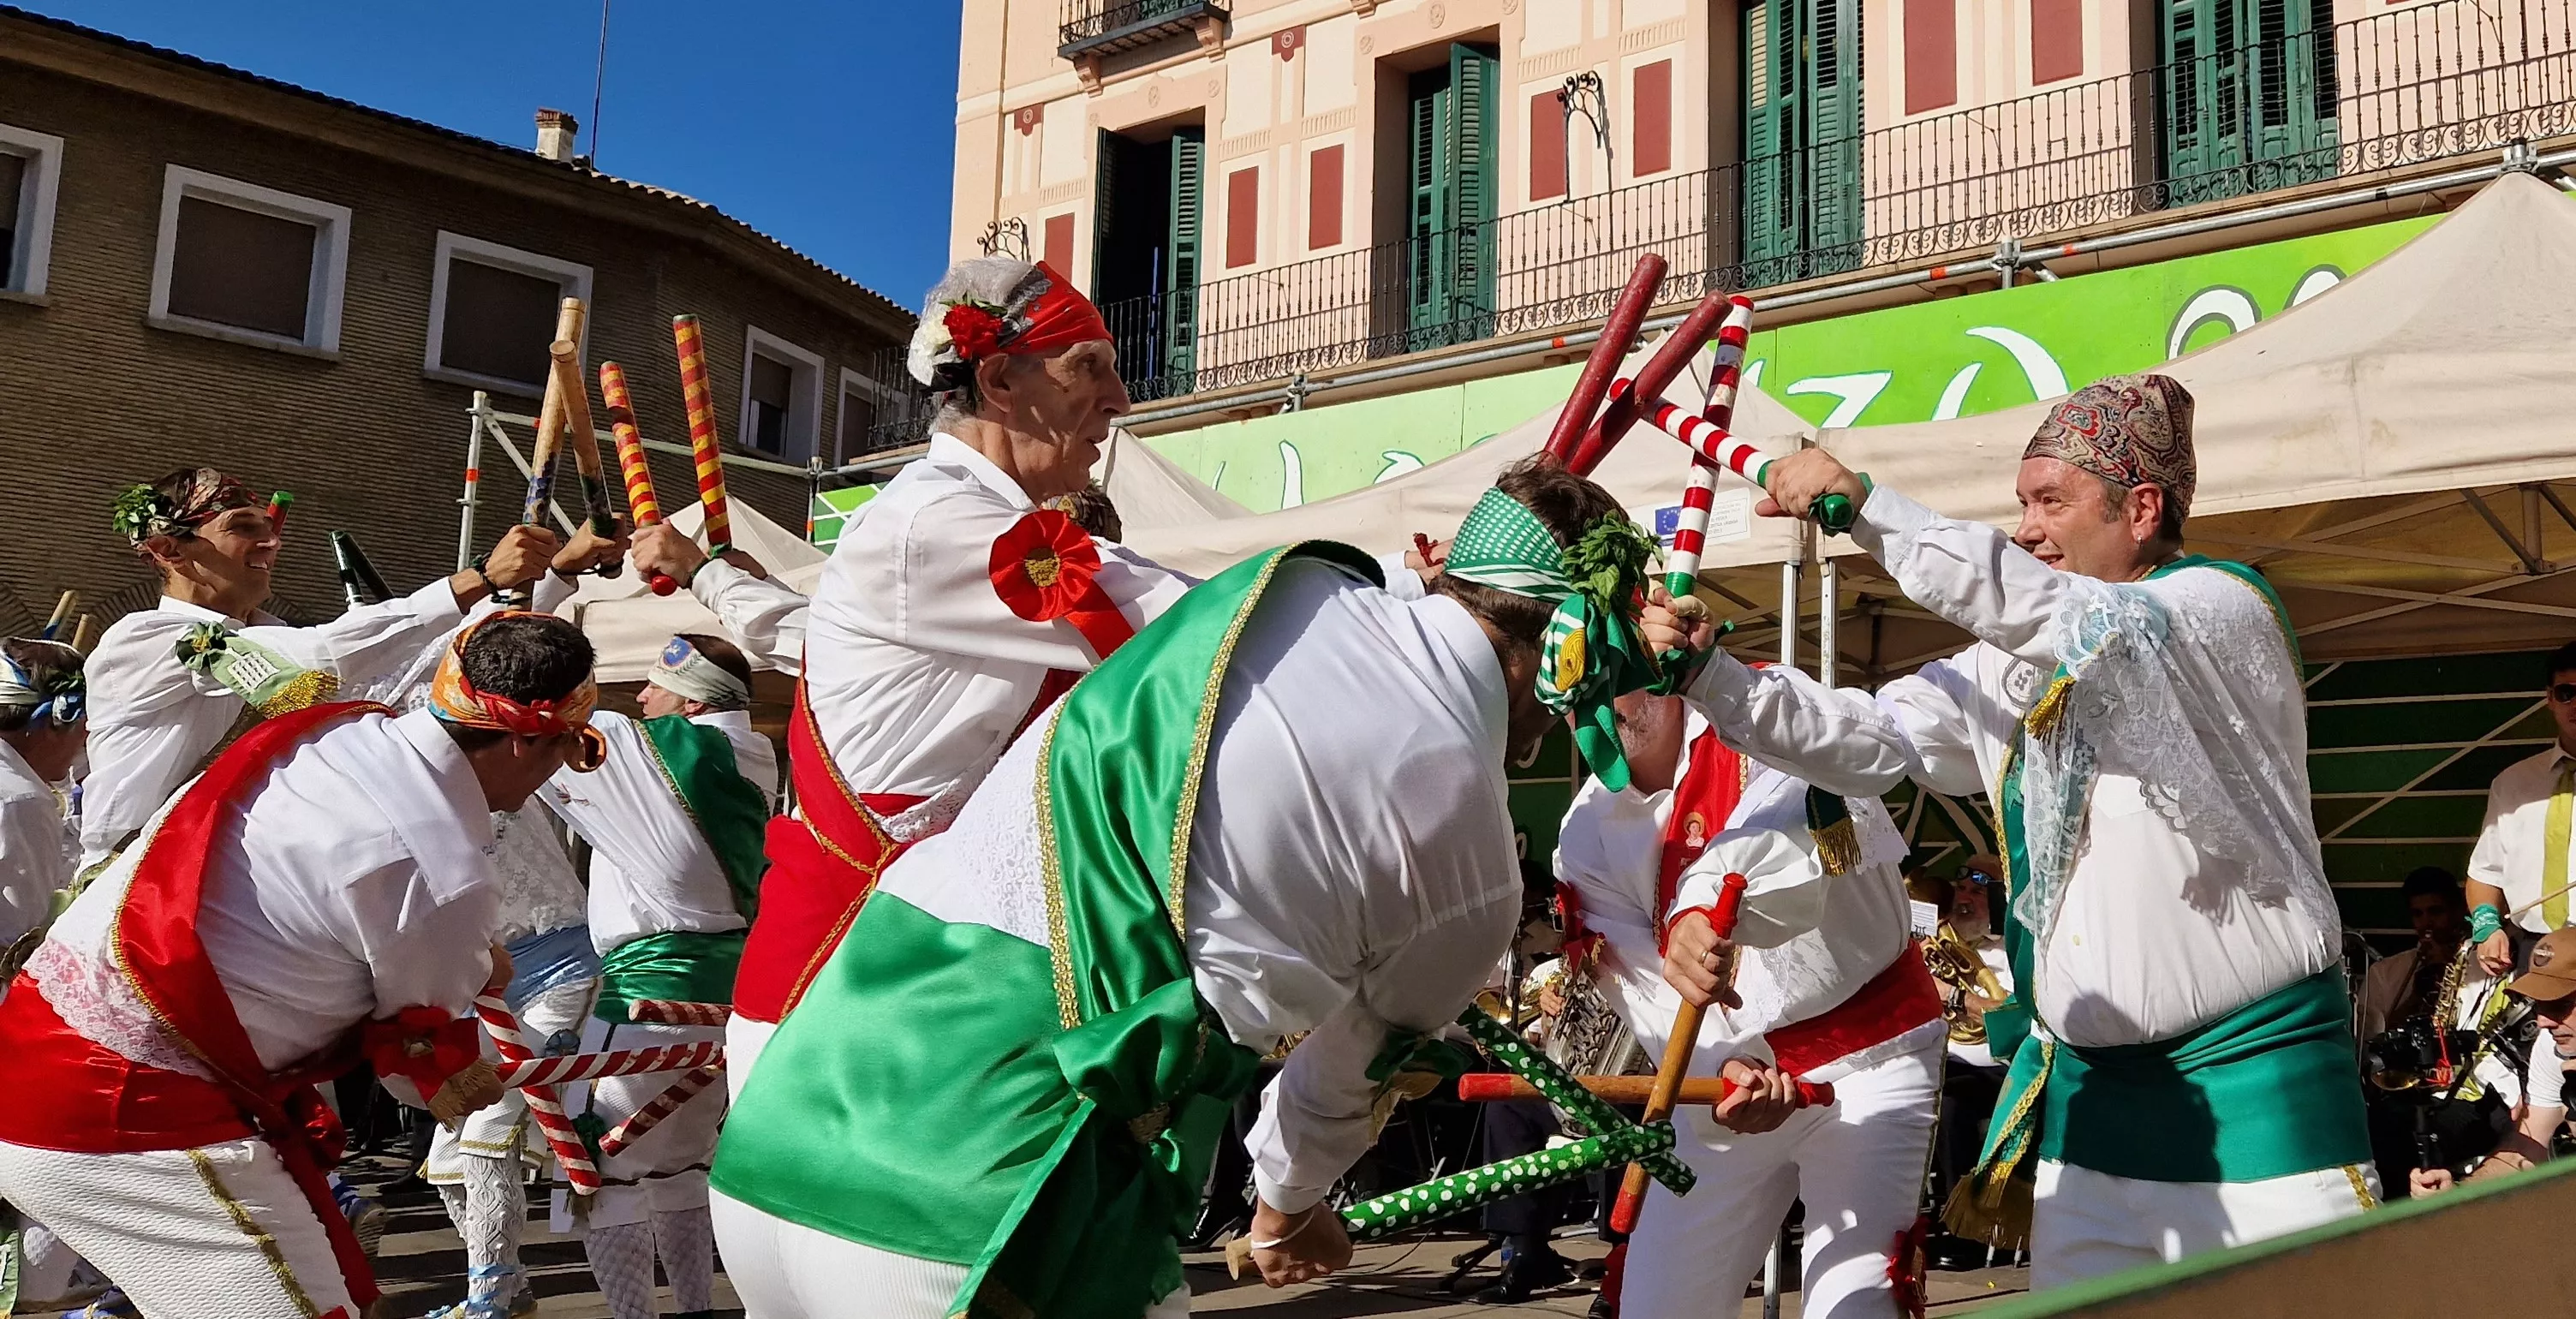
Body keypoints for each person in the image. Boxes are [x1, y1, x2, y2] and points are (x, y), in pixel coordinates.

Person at [707, 458, 1645, 1319]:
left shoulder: (1284, 589)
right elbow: (1337, 1086)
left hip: (792, 1111)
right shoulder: (1475, 868)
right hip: (982, 1182)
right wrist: (1284, 1209)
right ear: (1569, 647)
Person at [629, 258, 1436, 1096]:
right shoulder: (940, 523)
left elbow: (801, 632)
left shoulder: (931, 527)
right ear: (997, 378)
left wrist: (710, 573)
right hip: (848, 1005)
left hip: (917, 983)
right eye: (1088, 367)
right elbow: (1188, 626)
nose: (1122, 400)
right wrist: (1420, 586)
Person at [1653, 374, 2376, 1287]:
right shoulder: (2012, 666)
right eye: (2019, 504)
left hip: (2257, 1100)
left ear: (2141, 509)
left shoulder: (2214, 611)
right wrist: (1709, 676)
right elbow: (1865, 742)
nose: (2025, 527)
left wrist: (1866, 508)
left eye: (2050, 502)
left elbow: (2060, 615)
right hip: (2088, 1112)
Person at [0, 612, 602, 1319]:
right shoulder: (442, 872)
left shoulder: (332, 734)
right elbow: (412, 1069)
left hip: (40, 1048)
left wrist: (466, 965)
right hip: (128, 1108)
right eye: (570, 747)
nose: (561, 769)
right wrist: (473, 1002)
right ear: (529, 741)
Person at [1558, 691, 1941, 1319]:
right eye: (1570, 692)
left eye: (1614, 675)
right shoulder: (1584, 829)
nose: (1592, 703)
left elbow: (1784, 834)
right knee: (1658, 1306)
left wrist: (1697, 904)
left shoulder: (1763, 712)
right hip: (1724, 1082)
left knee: (1855, 1308)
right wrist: (1727, 1068)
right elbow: (1643, 985)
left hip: (1871, 1058)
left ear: (1664, 671)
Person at [80, 468, 561, 869]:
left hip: (213, 880)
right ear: (170, 550)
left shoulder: (274, 638)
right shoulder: (144, 641)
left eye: (269, 528)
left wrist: (559, 573)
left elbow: (426, 659)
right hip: (129, 886)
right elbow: (324, 654)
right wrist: (479, 577)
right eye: (243, 527)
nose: (271, 542)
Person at [535, 632, 777, 1319]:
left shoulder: (659, 751)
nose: (640, 697)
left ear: (692, 698)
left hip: (647, 988)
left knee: (603, 1174)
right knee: (681, 1167)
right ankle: (697, 1309)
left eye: (652, 684)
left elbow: (541, 716)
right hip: (728, 988)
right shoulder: (752, 753)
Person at [424, 808, 600, 1319]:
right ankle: (512, 1286)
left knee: (485, 1135)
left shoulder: (493, 761)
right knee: (449, 1163)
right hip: (484, 988)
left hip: (559, 972)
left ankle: (491, 1296)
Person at [2412, 927, 2576, 1194]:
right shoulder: (2550, 1046)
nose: (2543, 1021)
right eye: (2538, 1005)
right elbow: (2527, 1146)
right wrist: (2457, 1193)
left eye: (2559, 1005)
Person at [2466, 642, 2576, 976]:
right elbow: (2485, 873)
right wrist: (2487, 928)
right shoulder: (2511, 783)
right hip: (2535, 950)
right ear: (2550, 698)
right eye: (2567, 692)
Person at [0, 638, 83, 965]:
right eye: (83, 724)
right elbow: (18, 937)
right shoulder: (21, 800)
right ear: (52, 722)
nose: (86, 738)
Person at [2361, 867, 2473, 1040]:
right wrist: (2417, 995)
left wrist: (2448, 968)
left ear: (2458, 911)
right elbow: (2370, 1040)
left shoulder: (2480, 964)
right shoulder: (2383, 973)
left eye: (2436, 911)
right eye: (2417, 914)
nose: (2427, 922)